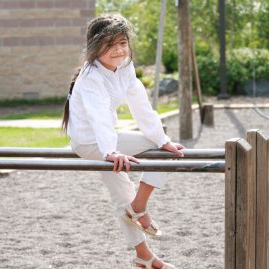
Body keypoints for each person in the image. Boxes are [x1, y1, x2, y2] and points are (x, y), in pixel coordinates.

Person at [61, 13, 186, 269]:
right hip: (90, 143)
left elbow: (141, 105)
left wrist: (163, 139)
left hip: (107, 140)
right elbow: (98, 116)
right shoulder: (91, 77)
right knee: (154, 157)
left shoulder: (125, 67)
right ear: (95, 48)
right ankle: (138, 209)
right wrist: (111, 151)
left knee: (131, 186)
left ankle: (144, 256)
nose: (118, 50)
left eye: (122, 43)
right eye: (110, 45)